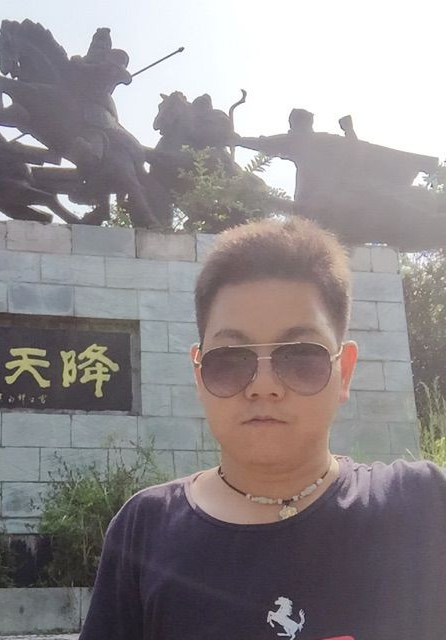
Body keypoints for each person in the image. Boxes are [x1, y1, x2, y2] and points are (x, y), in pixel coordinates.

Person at [79, 216, 446, 639]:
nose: (264, 386)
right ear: (199, 374)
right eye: (230, 360)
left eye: (300, 356)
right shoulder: (144, 530)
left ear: (343, 371)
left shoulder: (421, 507)